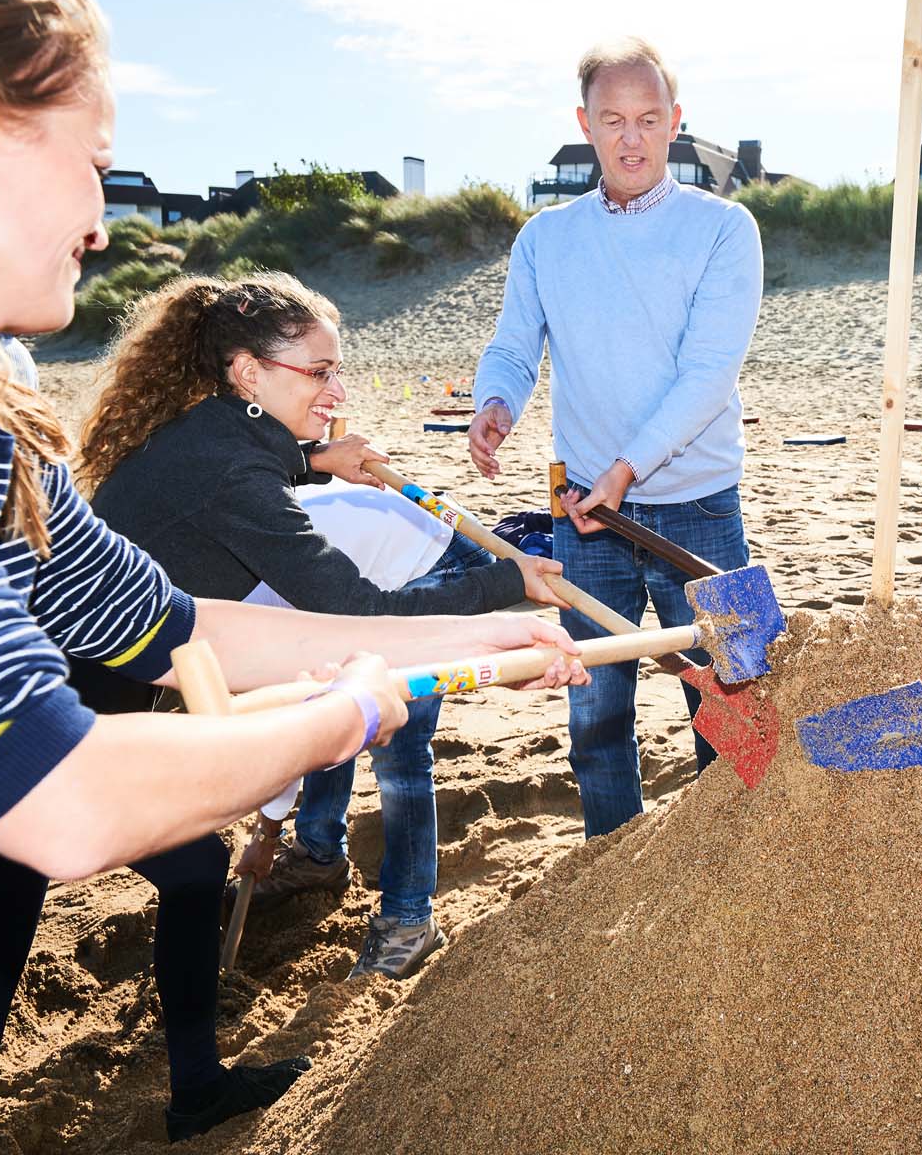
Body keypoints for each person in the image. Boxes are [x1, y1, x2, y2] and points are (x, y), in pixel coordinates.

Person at [0, 0, 583, 1148]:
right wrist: (348, 715)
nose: (104, 222)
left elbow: (180, 625)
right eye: (94, 166)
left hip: (36, 744)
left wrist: (476, 635)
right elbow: (63, 801)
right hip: (40, 765)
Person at [78, 270, 570, 982]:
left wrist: (314, 461)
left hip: (116, 684)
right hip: (89, 708)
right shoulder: (232, 476)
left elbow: (242, 479)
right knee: (190, 856)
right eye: (319, 372)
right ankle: (204, 1072)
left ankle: (385, 922)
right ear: (247, 373)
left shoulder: (204, 433)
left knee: (212, 856)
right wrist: (507, 581)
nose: (338, 393)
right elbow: (353, 618)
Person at [467, 36, 764, 838]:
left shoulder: (723, 228)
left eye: (646, 118)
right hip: (583, 514)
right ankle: (610, 863)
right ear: (584, 126)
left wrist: (629, 468)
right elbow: (514, 341)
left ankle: (727, 865)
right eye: (611, 121)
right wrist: (496, 401)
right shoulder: (545, 238)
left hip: (699, 508)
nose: (630, 138)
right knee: (595, 713)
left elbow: (707, 375)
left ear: (675, 123)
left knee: (732, 699)